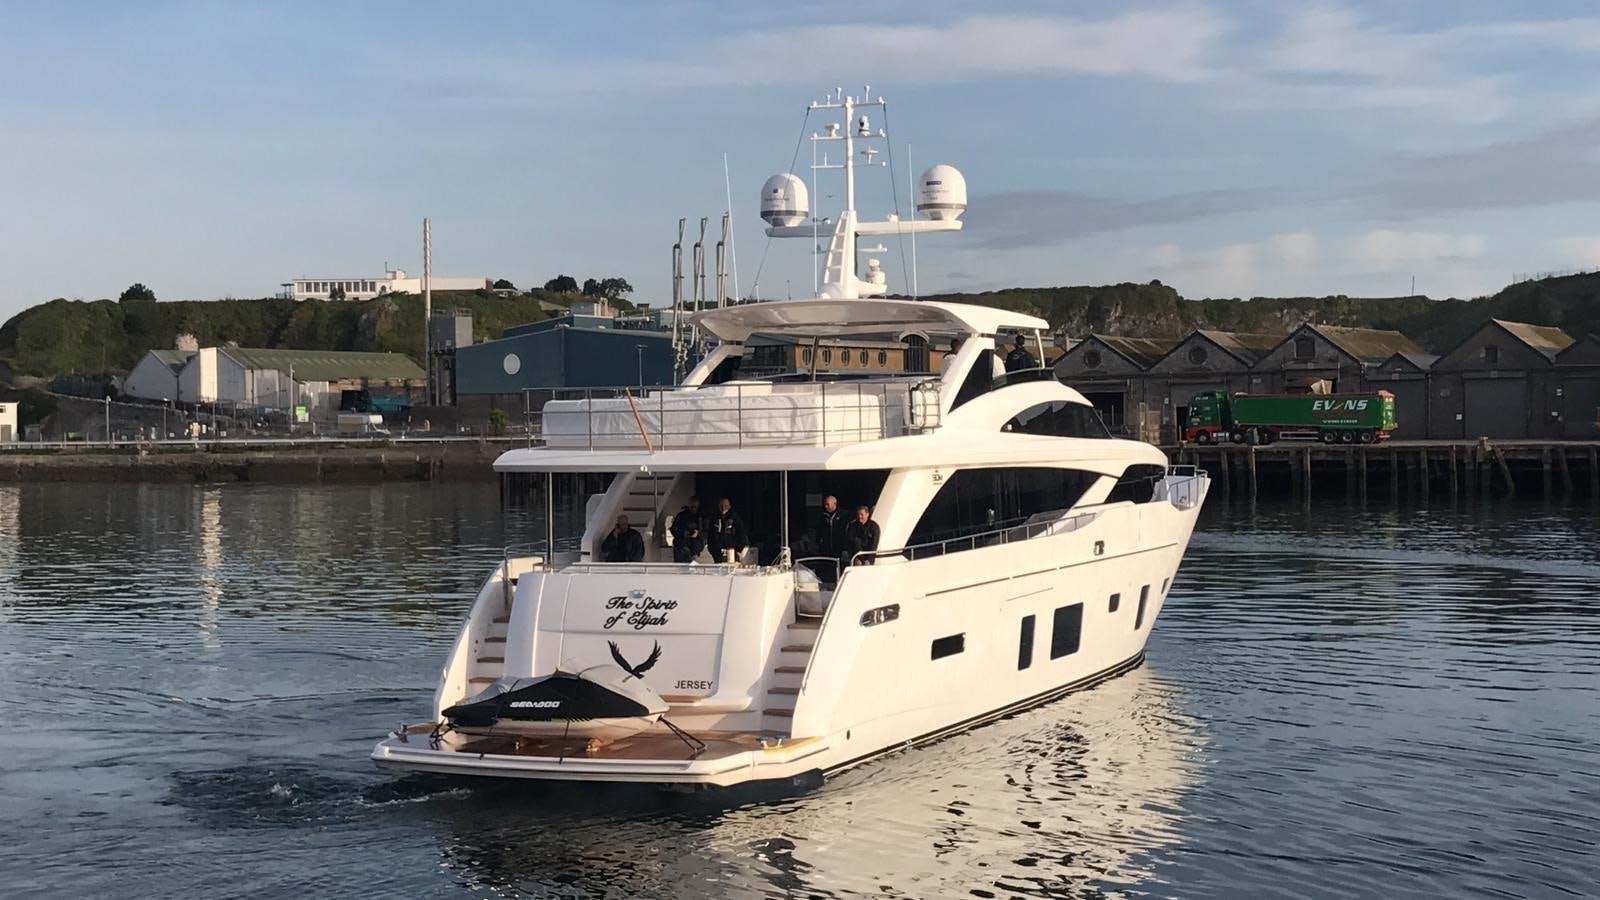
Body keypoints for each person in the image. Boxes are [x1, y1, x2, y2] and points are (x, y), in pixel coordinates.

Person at [807, 495, 848, 581]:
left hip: (838, 548)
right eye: (825, 504)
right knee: (827, 568)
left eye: (827, 504)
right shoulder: (823, 517)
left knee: (839, 568)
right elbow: (818, 531)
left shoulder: (843, 516)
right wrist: (818, 543)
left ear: (834, 504)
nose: (826, 506)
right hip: (826, 549)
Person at [708, 497, 747, 563]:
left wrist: (739, 549)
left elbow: (741, 533)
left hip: (732, 549)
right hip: (717, 550)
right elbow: (710, 534)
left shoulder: (735, 518)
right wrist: (711, 549)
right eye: (721, 506)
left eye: (725, 506)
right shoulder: (714, 518)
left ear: (729, 506)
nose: (723, 508)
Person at [669, 495, 706, 563]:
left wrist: (698, 534)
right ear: (689, 504)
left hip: (695, 549)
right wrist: (684, 534)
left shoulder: (701, 517)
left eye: (695, 506)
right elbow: (673, 530)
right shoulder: (681, 516)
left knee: (693, 570)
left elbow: (706, 532)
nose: (693, 508)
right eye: (692, 506)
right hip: (681, 547)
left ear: (698, 506)